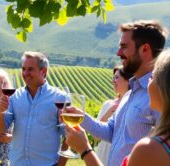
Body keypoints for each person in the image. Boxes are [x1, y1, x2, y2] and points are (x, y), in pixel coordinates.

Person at [70, 20, 168, 166]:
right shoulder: (129, 94)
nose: (118, 53)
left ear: (145, 49)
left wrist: (85, 149)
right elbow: (110, 131)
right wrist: (81, 117)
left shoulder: (159, 97)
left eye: (124, 47)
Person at [0, 51, 68, 166]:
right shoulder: (14, 97)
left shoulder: (59, 98)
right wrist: (1, 112)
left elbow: (69, 135)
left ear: (43, 71)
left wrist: (61, 164)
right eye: (23, 69)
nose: (25, 73)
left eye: (30, 69)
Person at [95, 65, 133, 164]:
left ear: (128, 80)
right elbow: (95, 137)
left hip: (121, 159)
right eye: (113, 77)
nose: (113, 81)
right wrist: (107, 114)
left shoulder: (134, 108)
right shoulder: (107, 105)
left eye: (116, 77)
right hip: (102, 156)